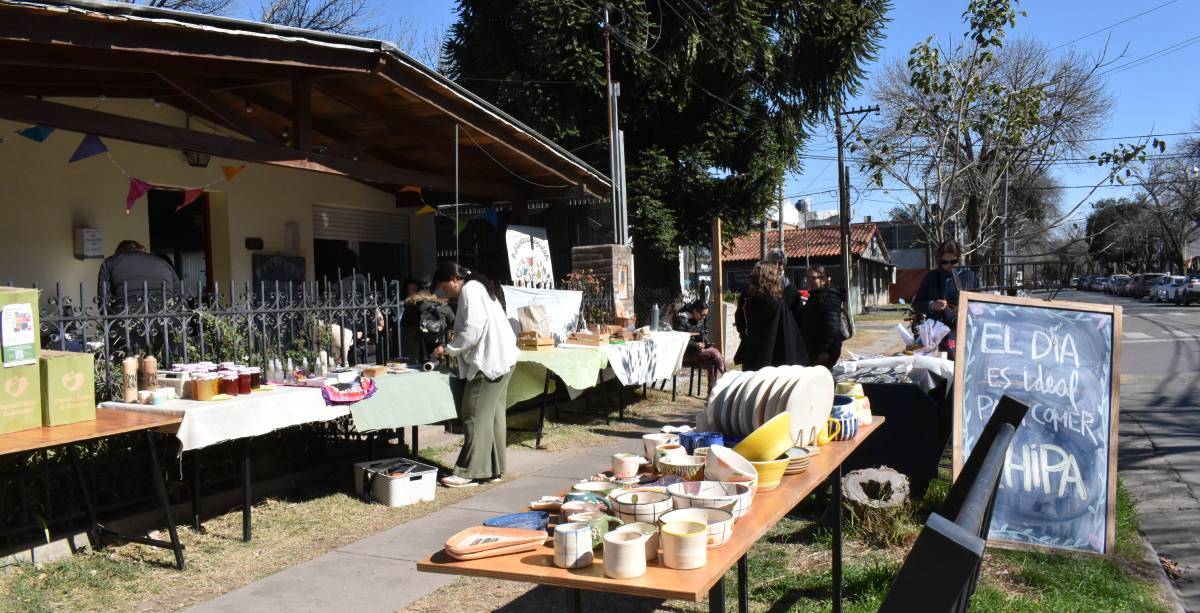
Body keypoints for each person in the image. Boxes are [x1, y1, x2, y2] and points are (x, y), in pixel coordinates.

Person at [431, 262, 518, 488]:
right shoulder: (480, 286)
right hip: (503, 358)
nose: (444, 293)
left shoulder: (470, 289)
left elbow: (473, 331)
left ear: (453, 279)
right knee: (493, 415)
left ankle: (470, 471)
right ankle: (493, 469)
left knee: (473, 414)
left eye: (444, 287)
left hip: (488, 362)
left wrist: (448, 348)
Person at [734, 261, 809, 370]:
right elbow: (788, 333)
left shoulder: (747, 301)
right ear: (773, 279)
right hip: (776, 359)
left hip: (753, 355)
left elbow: (740, 324)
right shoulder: (778, 304)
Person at [914, 241, 979, 355]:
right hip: (936, 335)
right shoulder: (931, 277)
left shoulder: (970, 276)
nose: (949, 266)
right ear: (939, 261)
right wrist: (932, 305)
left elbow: (980, 304)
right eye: (945, 262)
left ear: (959, 259)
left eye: (953, 261)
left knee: (961, 366)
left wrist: (966, 308)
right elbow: (917, 304)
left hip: (963, 332)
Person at [97, 239, 180, 310]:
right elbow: (178, 294)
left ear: (119, 253)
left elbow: (103, 299)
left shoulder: (110, 262)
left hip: (126, 319)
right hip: (165, 316)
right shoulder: (163, 262)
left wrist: (110, 320)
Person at [672, 299, 727, 388]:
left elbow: (701, 335)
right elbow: (680, 340)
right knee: (714, 352)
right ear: (695, 311)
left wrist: (706, 342)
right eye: (703, 315)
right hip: (684, 352)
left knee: (711, 361)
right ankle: (727, 376)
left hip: (697, 351)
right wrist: (695, 344)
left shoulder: (699, 318)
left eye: (706, 315)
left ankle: (711, 393)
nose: (704, 317)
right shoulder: (681, 318)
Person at [801, 265, 844, 369]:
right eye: (807, 277)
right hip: (813, 351)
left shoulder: (829, 296)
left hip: (823, 353)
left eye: (813, 278)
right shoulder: (815, 296)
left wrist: (825, 351)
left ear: (823, 279)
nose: (808, 281)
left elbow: (833, 327)